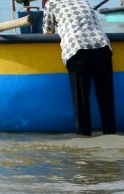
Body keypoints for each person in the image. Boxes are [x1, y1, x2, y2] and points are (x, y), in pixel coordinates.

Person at [44, 0, 115, 137]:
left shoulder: (51, 3)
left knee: (81, 101)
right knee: (106, 100)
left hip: (78, 48)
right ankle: (111, 135)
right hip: (102, 46)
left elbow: (48, 31)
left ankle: (84, 141)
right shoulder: (83, 1)